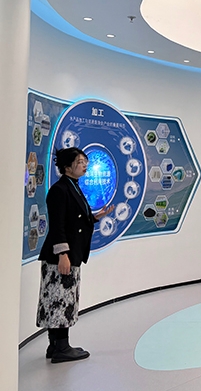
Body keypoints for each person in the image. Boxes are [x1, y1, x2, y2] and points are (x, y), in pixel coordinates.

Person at [37, 147, 104, 363]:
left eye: (85, 161)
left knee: (59, 298)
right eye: (80, 162)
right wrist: (63, 254)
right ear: (67, 167)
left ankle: (55, 346)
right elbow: (58, 226)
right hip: (61, 255)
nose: (85, 165)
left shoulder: (72, 186)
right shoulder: (60, 190)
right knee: (60, 301)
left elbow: (75, 218)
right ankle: (62, 347)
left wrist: (94, 217)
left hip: (70, 252)